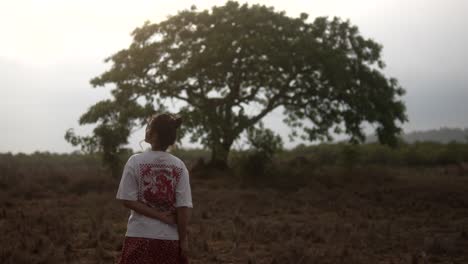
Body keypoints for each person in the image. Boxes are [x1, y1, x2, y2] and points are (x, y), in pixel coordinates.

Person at [116, 113, 193, 264]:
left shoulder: (135, 162)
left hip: (138, 235)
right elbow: (183, 208)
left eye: (149, 126)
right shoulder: (179, 166)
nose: (146, 129)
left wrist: (159, 216)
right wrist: (183, 240)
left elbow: (127, 200)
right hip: (169, 239)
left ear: (154, 135)